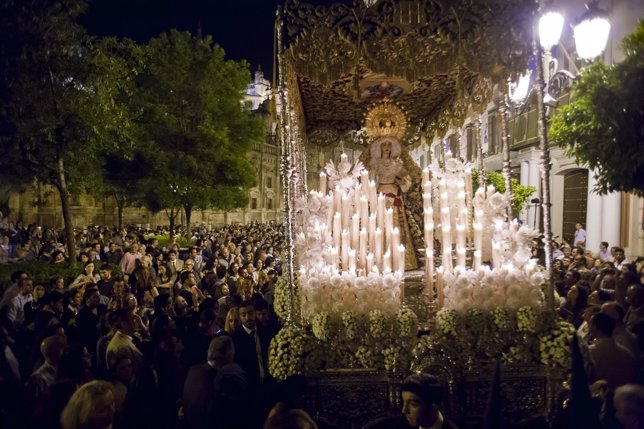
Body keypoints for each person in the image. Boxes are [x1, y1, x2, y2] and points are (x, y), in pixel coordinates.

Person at [368, 136, 418, 270]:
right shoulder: (375, 163)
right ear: (379, 148)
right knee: (381, 224)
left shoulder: (397, 163)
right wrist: (371, 192)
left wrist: (402, 182)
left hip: (395, 194)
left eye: (389, 145)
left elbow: (407, 179)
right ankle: (381, 258)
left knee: (396, 223)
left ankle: (402, 259)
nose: (386, 148)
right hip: (380, 195)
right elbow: (371, 181)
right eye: (384, 145)